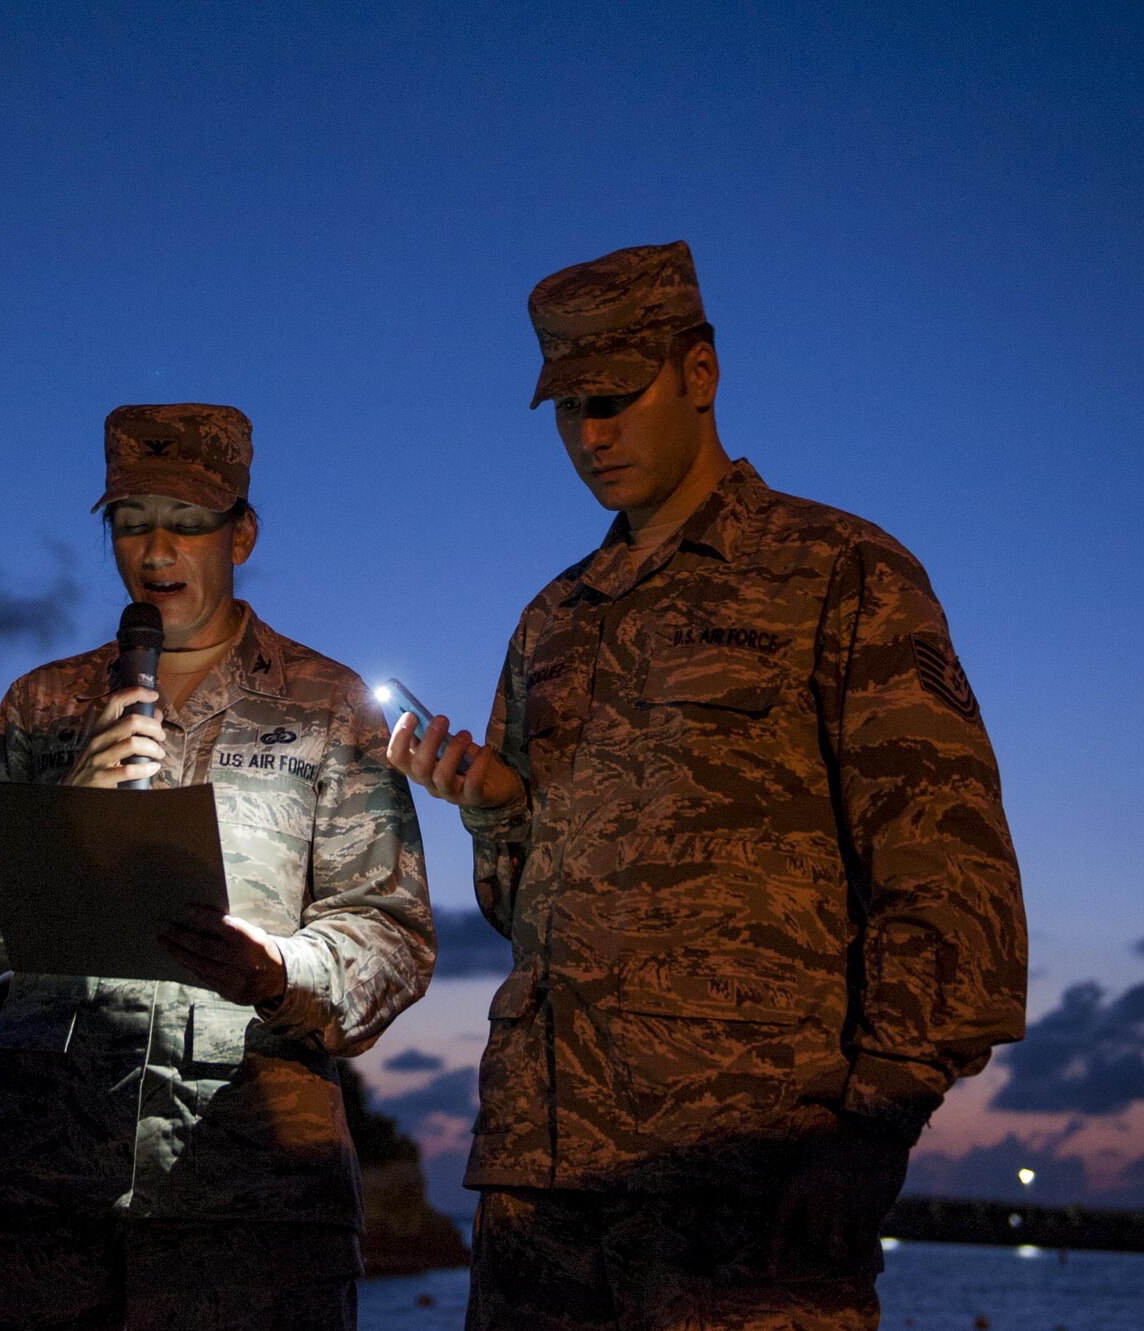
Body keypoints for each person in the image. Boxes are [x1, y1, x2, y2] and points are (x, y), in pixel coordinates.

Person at [388, 241, 1027, 1330]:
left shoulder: (840, 572)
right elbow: (521, 911)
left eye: (615, 397)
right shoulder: (553, 621)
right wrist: (495, 808)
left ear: (699, 372)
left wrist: (873, 1125)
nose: (590, 434)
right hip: (543, 1192)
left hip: (748, 1189)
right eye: (567, 407)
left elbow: (944, 864)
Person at [0, 403, 435, 1331]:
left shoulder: (328, 707)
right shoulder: (42, 704)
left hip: (249, 1208)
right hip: (32, 1205)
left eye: (187, 523)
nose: (156, 551)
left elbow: (392, 936)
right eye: (130, 522)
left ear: (242, 533)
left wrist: (279, 968)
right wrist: (69, 803)